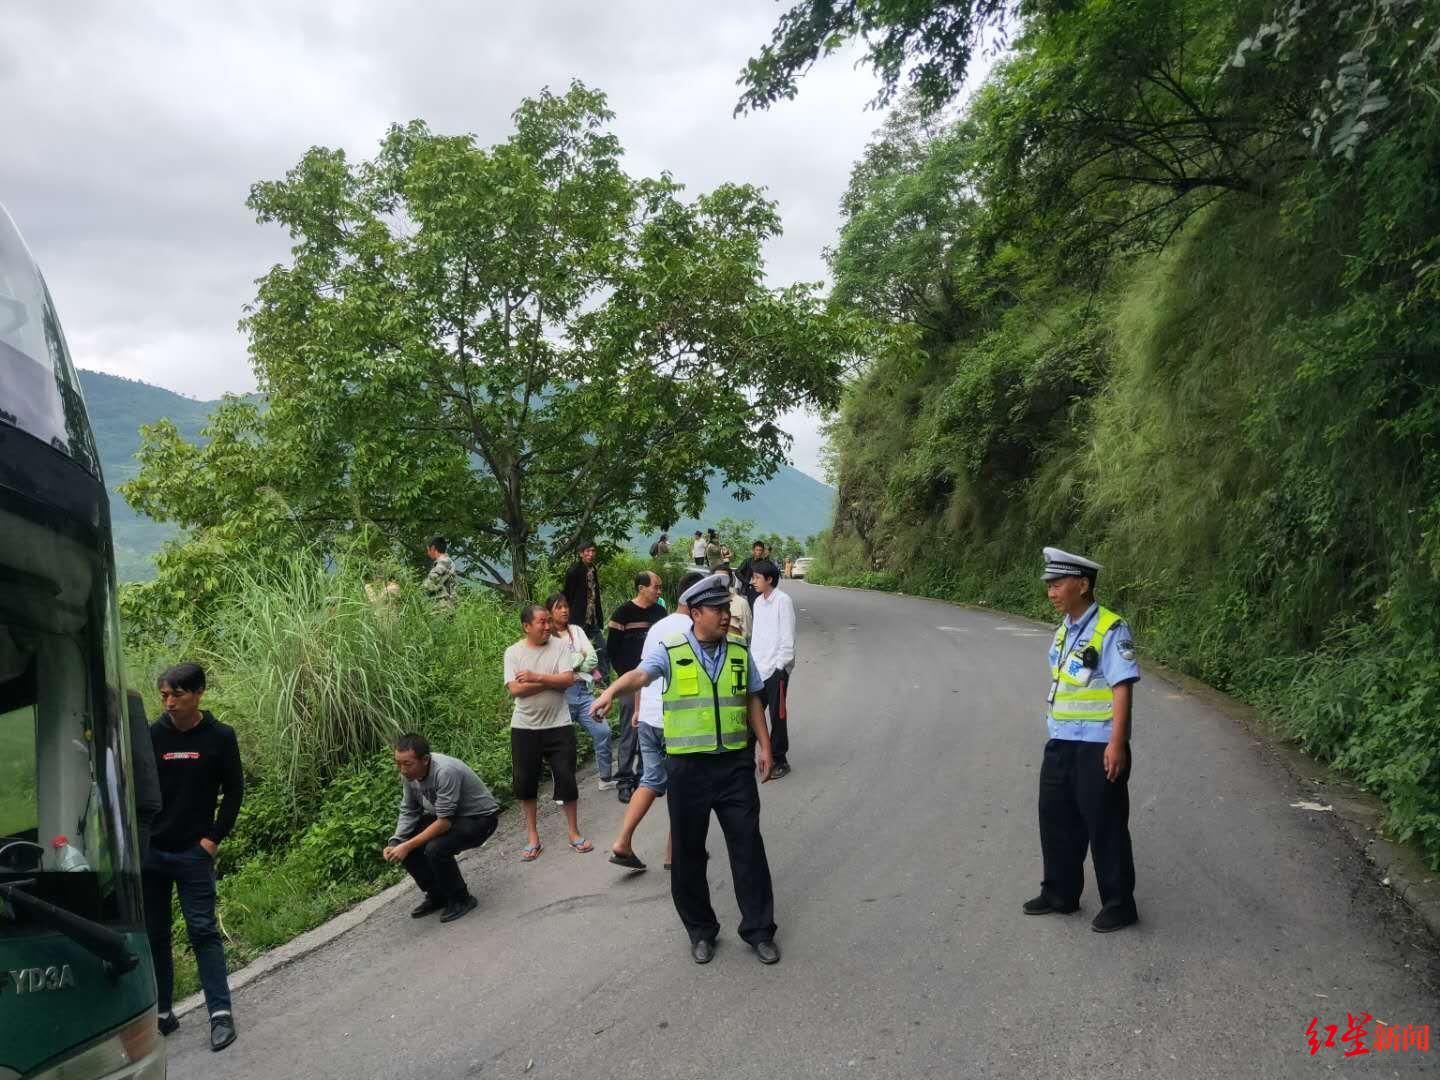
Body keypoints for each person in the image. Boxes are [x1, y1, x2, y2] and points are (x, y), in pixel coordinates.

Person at [592, 573, 780, 966]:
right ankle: (700, 930)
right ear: (696, 613)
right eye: (718, 610)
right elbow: (639, 675)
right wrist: (610, 693)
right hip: (688, 770)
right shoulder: (671, 650)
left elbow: (751, 700)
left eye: (727, 608)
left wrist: (764, 745)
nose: (726, 616)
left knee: (748, 848)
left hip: (734, 767)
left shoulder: (739, 653)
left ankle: (759, 930)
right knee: (689, 854)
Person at [1024, 546, 1142, 933]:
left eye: (1058, 584)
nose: (1051, 592)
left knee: (1105, 825)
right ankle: (1060, 893)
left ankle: (1120, 904)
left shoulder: (1111, 627)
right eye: (1050, 585)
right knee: (1056, 819)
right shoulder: (1064, 631)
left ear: (1083, 584)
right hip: (1060, 741)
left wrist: (1117, 743)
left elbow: (1121, 687)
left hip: (1097, 744)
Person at [143, 663, 244, 1051]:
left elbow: (234, 791)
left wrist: (212, 839)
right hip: (153, 854)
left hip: (193, 854)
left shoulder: (220, 737)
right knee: (155, 936)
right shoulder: (151, 736)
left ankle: (220, 1015)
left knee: (202, 931)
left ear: (199, 692)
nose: (168, 702)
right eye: (164, 695)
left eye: (176, 694)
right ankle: (163, 1012)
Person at [605, 568, 707, 873]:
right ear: (696, 600)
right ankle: (673, 854)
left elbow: (642, 671)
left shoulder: (658, 626)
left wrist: (638, 708)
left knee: (651, 779)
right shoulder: (694, 629)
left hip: (649, 715)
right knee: (682, 784)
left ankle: (623, 842)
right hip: (675, 720)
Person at [504, 604, 594, 860]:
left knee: (566, 778)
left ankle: (574, 833)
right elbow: (515, 690)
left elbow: (567, 681)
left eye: (548, 622)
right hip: (524, 727)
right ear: (526, 626)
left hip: (559, 724)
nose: (547, 626)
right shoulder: (513, 652)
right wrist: (550, 680)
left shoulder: (561, 646)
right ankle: (533, 838)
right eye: (541, 622)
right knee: (526, 783)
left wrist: (534, 677)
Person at [382, 733, 500, 924]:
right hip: (451, 818)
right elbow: (409, 810)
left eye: (407, 764)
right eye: (398, 764)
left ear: (425, 759)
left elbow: (444, 822)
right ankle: (438, 895)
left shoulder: (445, 771)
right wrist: (397, 841)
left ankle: (462, 899)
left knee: (435, 848)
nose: (402, 769)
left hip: (480, 819)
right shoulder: (409, 775)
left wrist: (408, 845)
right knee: (405, 843)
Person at [606, 571, 666, 802]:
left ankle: (645, 776)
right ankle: (624, 779)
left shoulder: (660, 613)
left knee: (650, 726)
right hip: (631, 682)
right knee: (630, 729)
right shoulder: (623, 613)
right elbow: (612, 649)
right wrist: (627, 679)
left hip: (656, 681)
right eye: (655, 587)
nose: (658, 592)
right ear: (641, 588)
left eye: (660, 588)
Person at [546, 592, 615, 790]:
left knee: (602, 731)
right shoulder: (547, 638)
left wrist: (573, 662)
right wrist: (578, 658)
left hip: (584, 693)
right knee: (562, 745)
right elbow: (555, 667)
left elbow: (592, 658)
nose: (564, 610)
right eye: (558, 607)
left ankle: (605, 778)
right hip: (561, 696)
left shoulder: (576, 630)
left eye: (566, 606)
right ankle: (563, 787)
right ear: (550, 613)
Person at [749, 559, 796, 779]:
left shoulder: (782, 601)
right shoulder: (758, 602)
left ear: (769, 579)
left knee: (777, 717)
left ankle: (779, 759)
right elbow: (758, 636)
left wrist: (781, 666)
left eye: (757, 577)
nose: (753, 581)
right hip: (759, 667)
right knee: (752, 712)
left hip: (777, 668)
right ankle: (746, 757)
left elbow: (787, 636)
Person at [563, 540, 607, 674]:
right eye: (587, 551)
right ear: (581, 554)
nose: (591, 554)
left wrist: (599, 618)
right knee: (579, 651)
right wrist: (567, 619)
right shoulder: (574, 571)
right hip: (578, 619)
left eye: (593, 551)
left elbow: (595, 596)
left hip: (592, 618)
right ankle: (580, 678)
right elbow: (567, 595)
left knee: (602, 648)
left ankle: (604, 680)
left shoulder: (593, 569)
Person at [423, 536, 458, 610]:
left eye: (428, 550)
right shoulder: (446, 561)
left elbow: (429, 583)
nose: (428, 553)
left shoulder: (443, 562)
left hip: (443, 608)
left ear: (432, 548)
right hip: (447, 607)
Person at [736, 540, 768, 607]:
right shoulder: (747, 561)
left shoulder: (765, 563)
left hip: (760, 591)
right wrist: (747, 581)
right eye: (757, 550)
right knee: (749, 610)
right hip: (748, 589)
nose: (758, 552)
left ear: (763, 551)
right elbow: (737, 572)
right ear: (753, 550)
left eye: (760, 550)